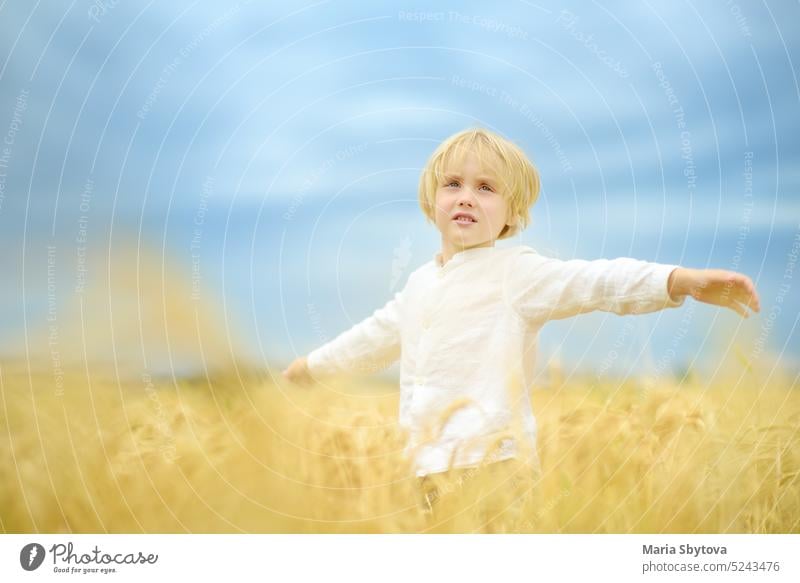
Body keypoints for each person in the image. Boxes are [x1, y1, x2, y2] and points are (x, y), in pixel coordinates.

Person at [282, 127, 761, 512]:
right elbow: (371, 338)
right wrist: (313, 367)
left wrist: (678, 280)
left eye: (486, 188)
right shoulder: (419, 285)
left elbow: (594, 281)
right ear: (432, 202)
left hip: (494, 468)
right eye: (453, 184)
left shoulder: (518, 273)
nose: (466, 197)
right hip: (421, 469)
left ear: (512, 216)